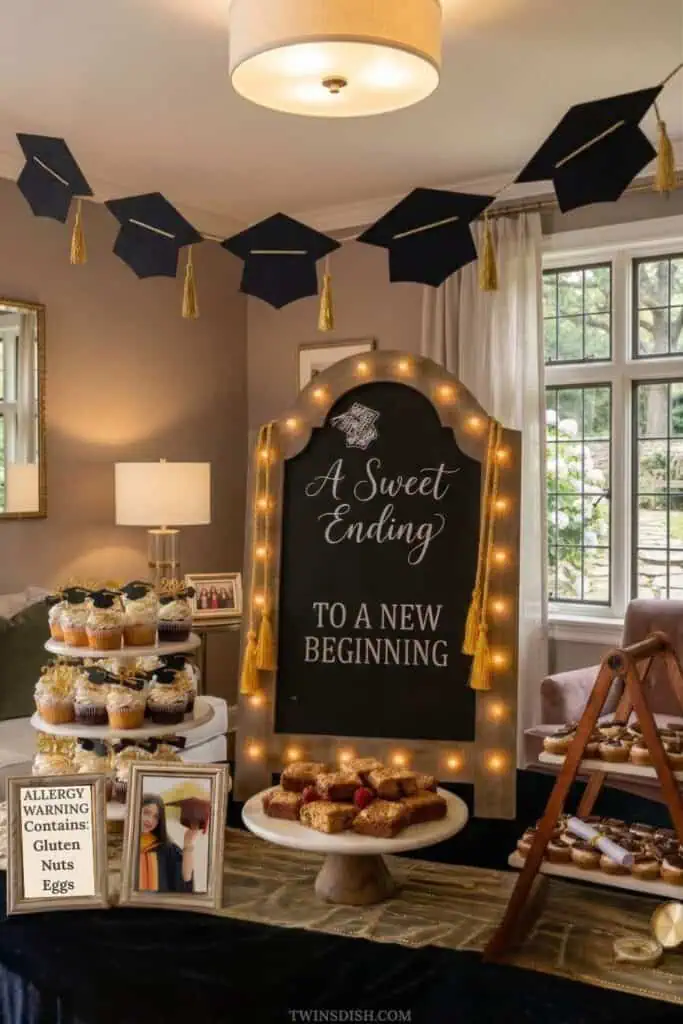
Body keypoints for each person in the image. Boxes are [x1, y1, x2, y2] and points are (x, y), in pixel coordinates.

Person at [138, 794, 197, 893]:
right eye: (146, 812)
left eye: (156, 817)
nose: (150, 820)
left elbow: (186, 878)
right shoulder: (123, 843)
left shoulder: (165, 848)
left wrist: (188, 842)